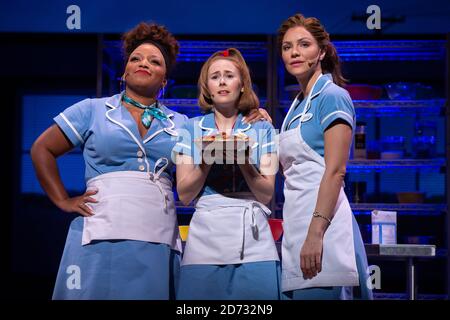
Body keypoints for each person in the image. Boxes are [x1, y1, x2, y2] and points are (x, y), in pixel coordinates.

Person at [31, 22, 270, 300]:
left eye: (154, 61)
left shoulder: (181, 124)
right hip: (100, 232)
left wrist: (254, 113)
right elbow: (41, 149)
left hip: (156, 237)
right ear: (124, 72)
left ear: (164, 79)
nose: (144, 63)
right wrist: (63, 200)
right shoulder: (92, 110)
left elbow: (220, 125)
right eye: (136, 58)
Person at [277, 14, 373, 300]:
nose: (294, 52)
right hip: (297, 226)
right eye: (287, 46)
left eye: (304, 44)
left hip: (322, 231)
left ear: (321, 51)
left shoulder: (333, 96)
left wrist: (315, 234)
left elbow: (335, 172)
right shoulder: (296, 105)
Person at [174, 48, 281, 300]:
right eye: (215, 76)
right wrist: (207, 160)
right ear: (206, 87)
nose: (222, 81)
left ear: (242, 84)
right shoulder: (189, 129)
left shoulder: (263, 128)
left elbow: (266, 194)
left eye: (229, 75)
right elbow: (184, 194)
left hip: (254, 236)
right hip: (205, 235)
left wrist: (243, 160)